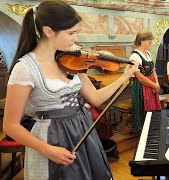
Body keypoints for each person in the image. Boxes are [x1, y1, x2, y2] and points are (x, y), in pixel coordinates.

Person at [3, 1, 139, 179]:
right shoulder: (25, 69)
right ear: (49, 31)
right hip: (50, 139)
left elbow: (96, 99)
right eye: (71, 33)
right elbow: (10, 126)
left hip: (82, 132)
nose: (75, 39)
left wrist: (125, 76)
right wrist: (48, 150)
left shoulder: (70, 60)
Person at [130, 29, 161, 132]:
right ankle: (143, 134)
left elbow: (153, 70)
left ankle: (151, 131)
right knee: (143, 112)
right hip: (141, 88)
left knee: (152, 111)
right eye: (149, 41)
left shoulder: (148, 53)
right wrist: (154, 85)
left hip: (152, 85)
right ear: (142, 41)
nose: (151, 43)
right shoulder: (135, 56)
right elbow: (139, 77)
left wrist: (156, 83)